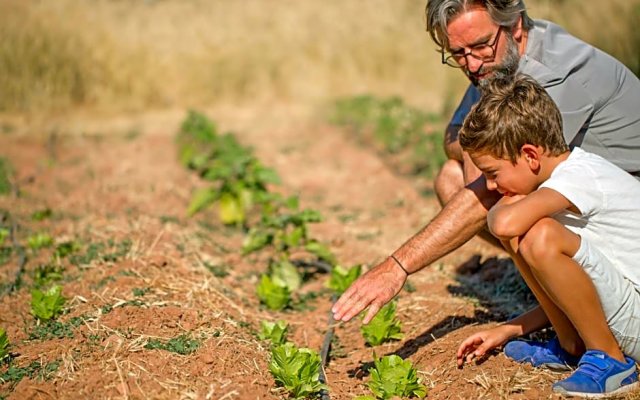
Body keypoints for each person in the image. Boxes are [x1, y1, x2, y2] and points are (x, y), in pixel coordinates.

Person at [332, 0, 640, 325]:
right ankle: (557, 291)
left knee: (509, 200)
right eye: (458, 53)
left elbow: (494, 186)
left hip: (625, 216)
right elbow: (455, 134)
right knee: (451, 179)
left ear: (516, 25)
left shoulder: (552, 74)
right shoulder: (495, 59)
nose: (473, 65)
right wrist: (474, 153)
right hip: (581, 200)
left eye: (480, 46)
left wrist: (398, 266)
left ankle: (579, 316)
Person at [454, 74, 640, 397]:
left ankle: (611, 361)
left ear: (530, 156)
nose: (492, 187)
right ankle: (572, 345)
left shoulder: (578, 176)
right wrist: (507, 330)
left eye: (493, 174)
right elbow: (579, 292)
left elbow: (502, 224)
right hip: (627, 307)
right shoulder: (558, 182)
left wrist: (502, 205)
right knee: (525, 235)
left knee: (538, 235)